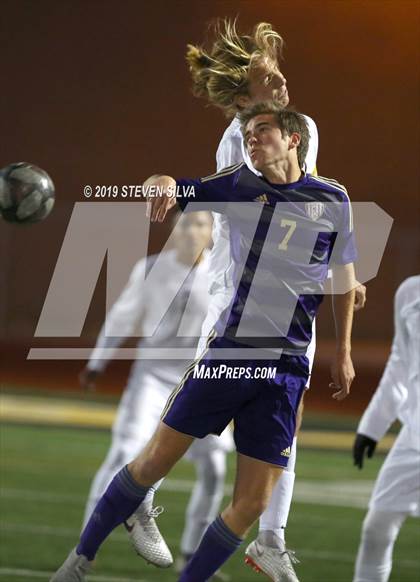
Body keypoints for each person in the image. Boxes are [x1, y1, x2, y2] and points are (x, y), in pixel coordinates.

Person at [51, 102, 357, 582]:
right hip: (231, 354)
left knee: (252, 501)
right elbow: (176, 187)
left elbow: (343, 274)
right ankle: (78, 562)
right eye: (249, 132)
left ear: (294, 139)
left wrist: (342, 352)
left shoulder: (332, 196)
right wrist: (159, 184)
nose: (252, 139)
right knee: (152, 461)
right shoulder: (239, 183)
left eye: (263, 131)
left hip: (288, 369)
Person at [185, 19, 366, 580]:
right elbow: (260, 212)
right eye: (268, 75)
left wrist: (339, 268)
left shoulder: (300, 126)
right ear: (243, 100)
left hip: (290, 298)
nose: (283, 78)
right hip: (245, 295)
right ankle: (139, 491)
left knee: (287, 416)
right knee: (205, 413)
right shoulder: (238, 141)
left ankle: (271, 537)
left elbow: (307, 202)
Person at [80, 211, 234, 573]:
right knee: (122, 452)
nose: (191, 230)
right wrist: (97, 361)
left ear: (212, 231)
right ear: (173, 231)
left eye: (199, 223)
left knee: (214, 467)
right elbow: (121, 316)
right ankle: (86, 546)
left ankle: (191, 555)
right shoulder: (150, 268)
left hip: (201, 384)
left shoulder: (225, 272)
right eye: (183, 224)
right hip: (151, 378)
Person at [352, 275, 420, 582]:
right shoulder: (410, 291)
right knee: (377, 529)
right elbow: (400, 363)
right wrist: (372, 426)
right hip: (414, 436)